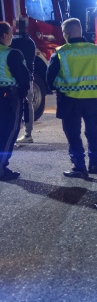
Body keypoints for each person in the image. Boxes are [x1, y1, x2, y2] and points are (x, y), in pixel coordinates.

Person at [46, 18, 97, 178]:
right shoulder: (96, 50)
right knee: (93, 132)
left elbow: (50, 79)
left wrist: (61, 86)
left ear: (66, 33)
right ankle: (95, 163)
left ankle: (79, 166)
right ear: (80, 30)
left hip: (69, 100)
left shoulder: (61, 53)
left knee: (73, 133)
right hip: (93, 100)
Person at [0, 21, 31, 181]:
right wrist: (23, 93)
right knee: (9, 131)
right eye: (10, 33)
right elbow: (24, 77)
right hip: (8, 97)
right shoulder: (12, 53)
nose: (12, 36)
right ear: (4, 35)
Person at [11, 17, 36, 144]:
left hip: (15, 79)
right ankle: (28, 134)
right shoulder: (30, 42)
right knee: (28, 106)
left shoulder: (13, 43)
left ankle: (13, 134)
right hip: (29, 77)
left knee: (15, 107)